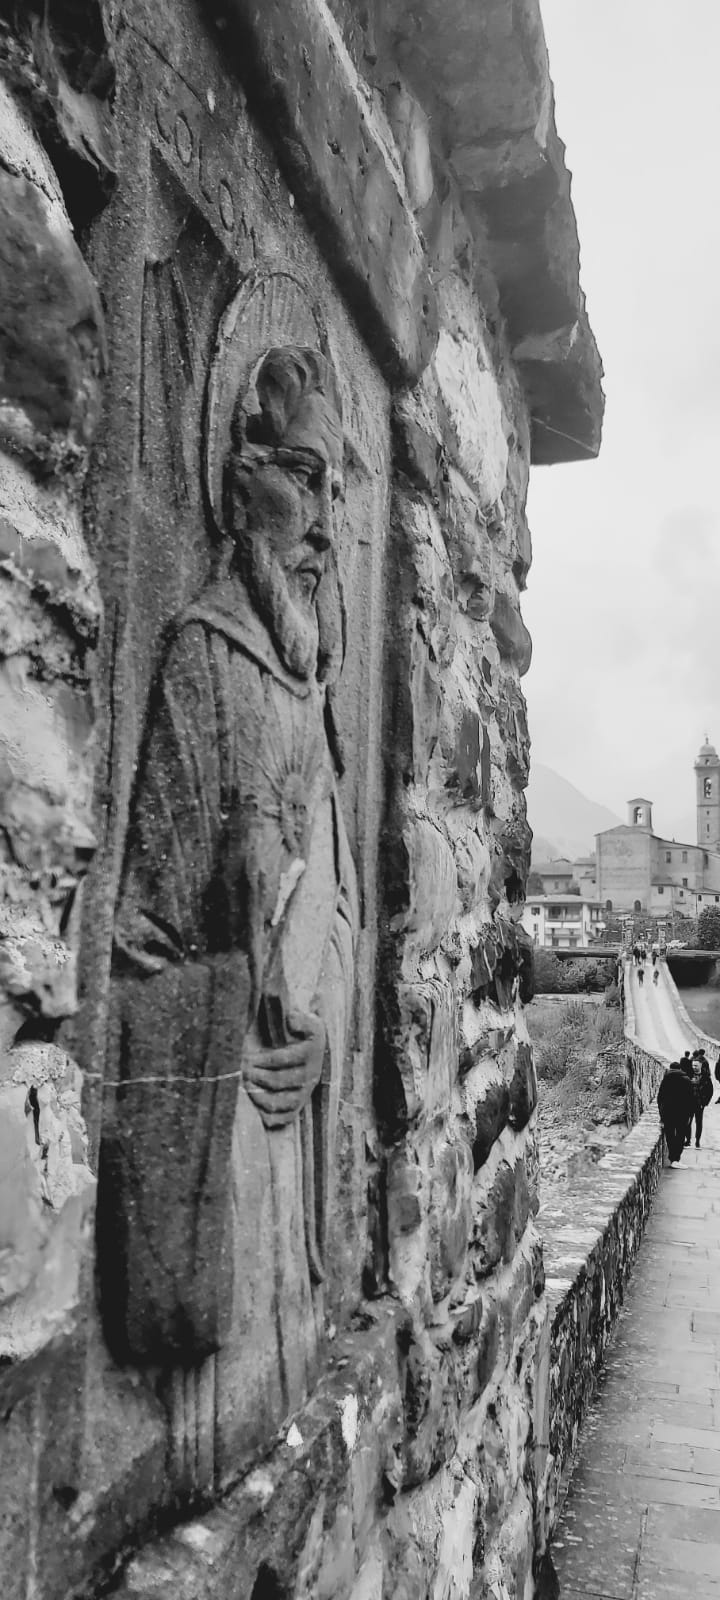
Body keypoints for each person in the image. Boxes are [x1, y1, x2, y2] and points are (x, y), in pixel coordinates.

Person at [99, 341, 358, 1489]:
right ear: (240, 473)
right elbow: (140, 946)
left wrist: (321, 1026)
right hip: (224, 1158)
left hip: (297, 1147)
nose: (319, 521)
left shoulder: (312, 694)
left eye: (334, 490)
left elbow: (342, 906)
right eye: (302, 476)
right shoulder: (203, 661)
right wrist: (236, 1022)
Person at [657, 1061, 697, 1164]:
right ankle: (676, 1157)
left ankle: (672, 1156)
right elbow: (691, 1099)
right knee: (680, 1135)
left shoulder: (666, 1079)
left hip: (668, 1112)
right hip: (682, 1113)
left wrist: (661, 1112)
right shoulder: (687, 1080)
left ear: (670, 1068)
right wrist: (690, 1114)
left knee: (670, 1134)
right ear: (680, 1069)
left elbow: (660, 1097)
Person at [693, 1059, 713, 1148]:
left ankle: (697, 1140)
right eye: (693, 1065)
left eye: (696, 1065)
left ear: (701, 1065)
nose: (694, 1067)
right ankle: (687, 1140)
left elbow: (710, 1091)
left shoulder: (705, 1077)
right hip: (689, 1102)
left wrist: (705, 1103)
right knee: (687, 1122)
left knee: (699, 1122)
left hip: (699, 1103)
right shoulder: (688, 1075)